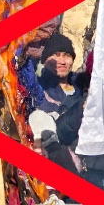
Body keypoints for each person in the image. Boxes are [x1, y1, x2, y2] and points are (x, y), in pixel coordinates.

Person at [30, 34, 88, 173]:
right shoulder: (37, 90)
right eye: (56, 55)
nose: (62, 61)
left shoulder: (83, 90)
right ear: (45, 60)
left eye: (66, 55)